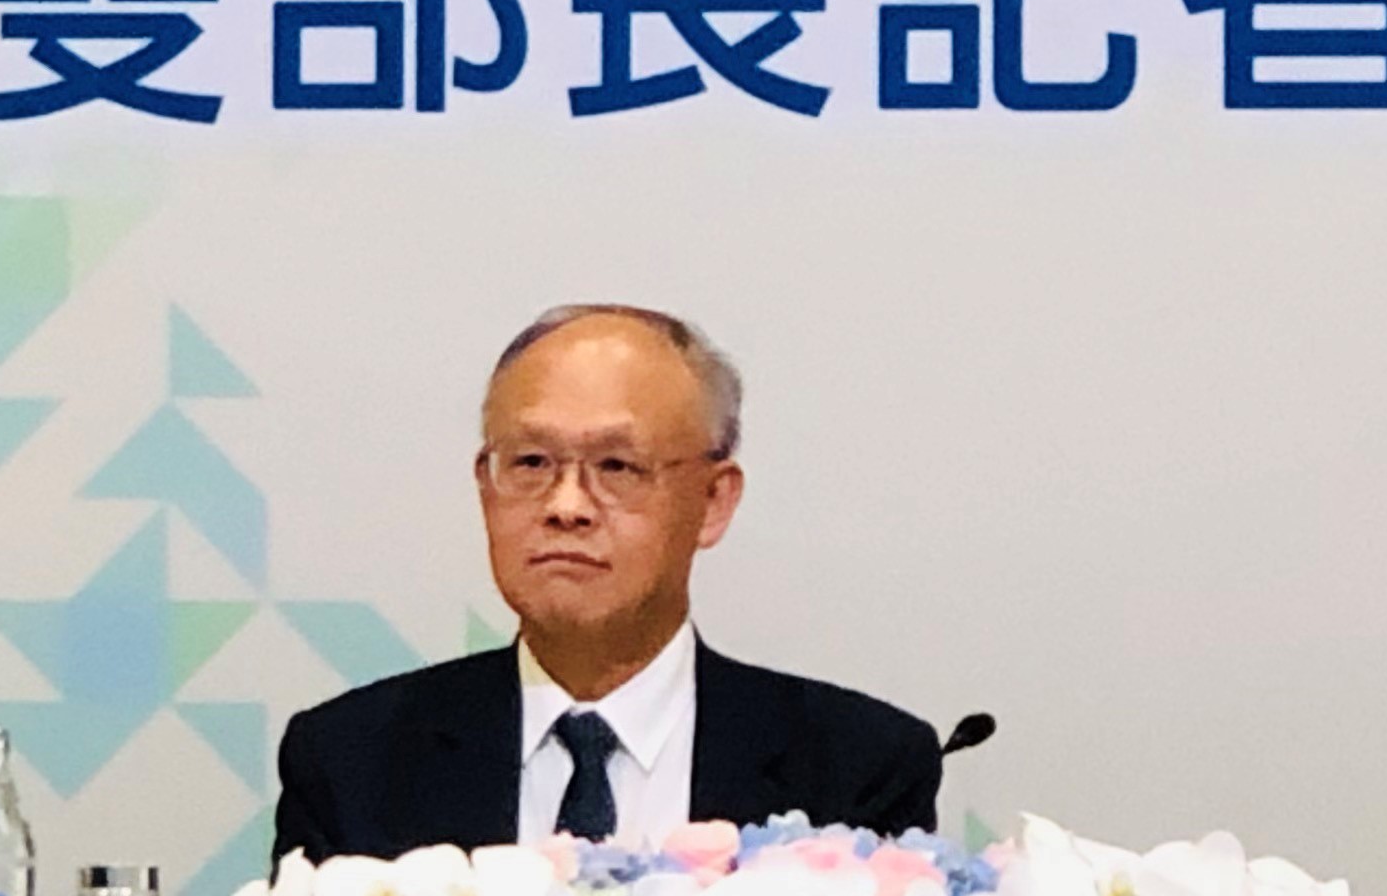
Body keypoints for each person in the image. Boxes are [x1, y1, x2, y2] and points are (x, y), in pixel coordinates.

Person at [272, 305, 943, 859]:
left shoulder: (853, 769)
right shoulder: (350, 761)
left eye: (617, 467)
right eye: (531, 462)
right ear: (486, 487)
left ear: (713, 501)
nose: (566, 506)